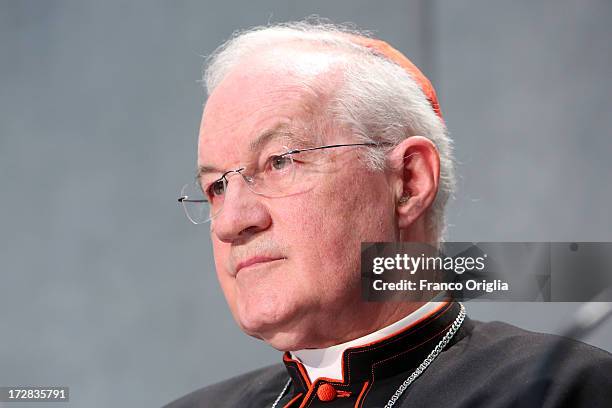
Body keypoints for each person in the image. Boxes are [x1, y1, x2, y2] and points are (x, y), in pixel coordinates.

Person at [166, 20, 612, 408]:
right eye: (216, 186)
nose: (229, 223)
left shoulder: (557, 389)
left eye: (280, 161)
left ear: (409, 182)